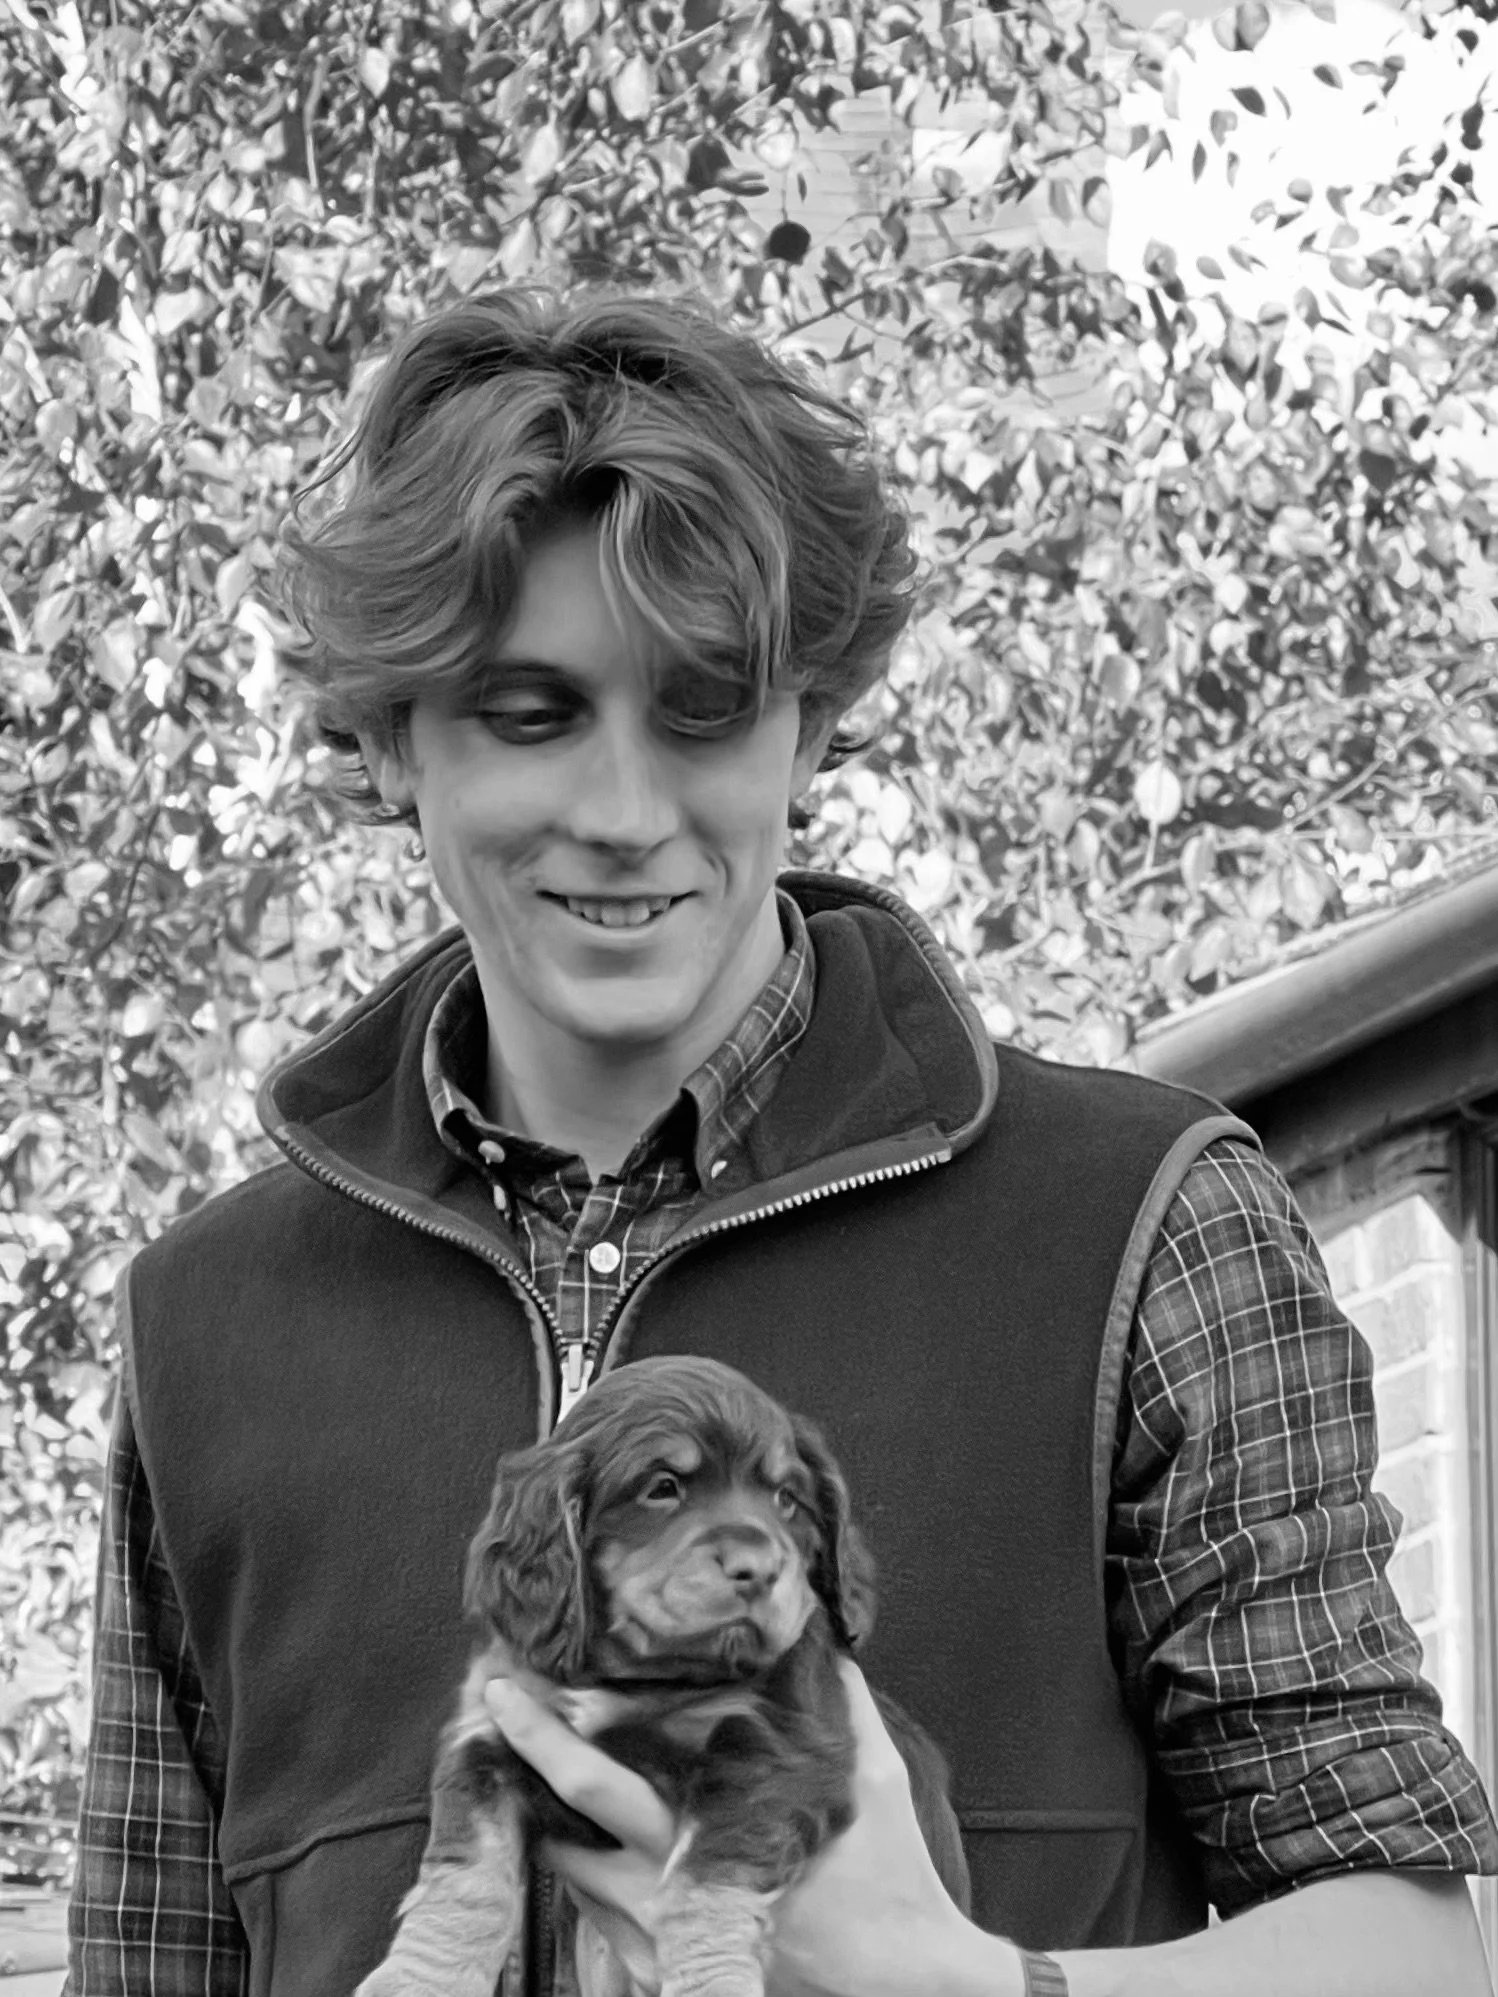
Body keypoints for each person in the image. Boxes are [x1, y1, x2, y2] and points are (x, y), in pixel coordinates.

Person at [65, 288, 1497, 1997]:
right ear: (389, 744)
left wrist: (965, 1983)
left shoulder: (1146, 1225)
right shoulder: (203, 1325)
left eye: (702, 707)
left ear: (808, 724)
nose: (622, 810)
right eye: (531, 714)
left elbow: (1416, 1951)